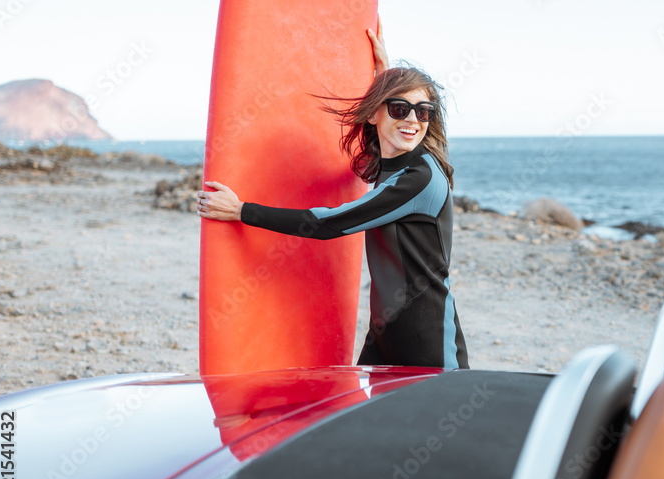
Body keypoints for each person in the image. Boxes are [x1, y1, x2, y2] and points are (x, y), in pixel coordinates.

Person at [197, 25, 469, 369]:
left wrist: (241, 211)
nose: (413, 120)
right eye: (400, 108)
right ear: (374, 113)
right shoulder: (395, 161)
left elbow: (326, 224)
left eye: (423, 111)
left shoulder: (421, 177)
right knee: (361, 421)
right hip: (386, 330)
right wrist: (385, 72)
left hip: (427, 340)